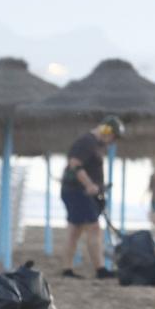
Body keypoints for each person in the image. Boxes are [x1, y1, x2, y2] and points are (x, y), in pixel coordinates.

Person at [60, 115, 121, 279]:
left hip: (78, 192)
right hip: (78, 192)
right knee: (94, 228)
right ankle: (100, 269)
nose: (112, 141)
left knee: (75, 230)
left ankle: (67, 269)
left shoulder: (94, 143)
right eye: (113, 137)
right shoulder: (87, 142)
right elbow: (74, 164)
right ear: (106, 130)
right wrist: (89, 185)